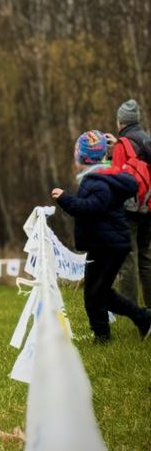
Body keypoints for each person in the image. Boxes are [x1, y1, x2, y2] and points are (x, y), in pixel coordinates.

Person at [52, 130, 151, 342]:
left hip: (108, 247)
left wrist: (65, 199)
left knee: (98, 293)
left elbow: (92, 207)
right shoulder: (103, 177)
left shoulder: (95, 181)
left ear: (82, 157)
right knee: (95, 293)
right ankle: (105, 333)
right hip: (103, 245)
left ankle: (140, 319)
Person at [110, 99, 151, 306]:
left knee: (128, 257)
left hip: (129, 210)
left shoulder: (122, 145)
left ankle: (130, 308)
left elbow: (117, 177)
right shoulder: (147, 139)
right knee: (145, 256)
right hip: (148, 207)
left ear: (121, 122)